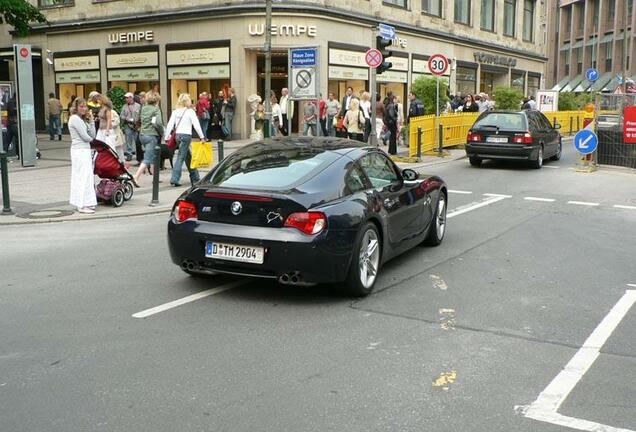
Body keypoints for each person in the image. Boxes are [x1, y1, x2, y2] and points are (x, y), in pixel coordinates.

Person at [164, 93, 207, 187]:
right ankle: (175, 178)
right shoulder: (190, 112)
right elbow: (196, 125)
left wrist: (167, 136)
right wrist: (202, 137)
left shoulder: (175, 111)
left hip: (178, 135)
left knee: (188, 156)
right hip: (186, 136)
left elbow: (170, 124)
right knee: (181, 157)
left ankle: (195, 178)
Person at [68, 97, 97, 214]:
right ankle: (81, 204)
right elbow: (86, 137)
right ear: (76, 107)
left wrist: (91, 121)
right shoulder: (74, 118)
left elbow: (92, 134)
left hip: (84, 150)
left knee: (87, 177)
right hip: (79, 150)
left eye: (85, 106)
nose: (84, 109)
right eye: (81, 106)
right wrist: (93, 141)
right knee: (82, 177)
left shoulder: (82, 119)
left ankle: (87, 201)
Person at [133, 92, 163, 186]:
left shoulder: (144, 108)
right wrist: (162, 133)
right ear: (157, 100)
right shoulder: (156, 109)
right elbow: (158, 123)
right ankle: (136, 176)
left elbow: (138, 120)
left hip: (142, 135)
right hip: (151, 135)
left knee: (153, 155)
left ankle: (155, 177)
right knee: (148, 158)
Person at [120, 92, 141, 160]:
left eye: (127, 97)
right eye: (125, 98)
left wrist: (138, 122)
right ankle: (129, 154)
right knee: (128, 141)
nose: (126, 99)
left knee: (137, 141)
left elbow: (140, 115)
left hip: (136, 126)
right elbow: (121, 116)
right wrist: (126, 118)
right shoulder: (124, 106)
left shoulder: (138, 106)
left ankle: (139, 155)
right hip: (128, 125)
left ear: (131, 98)